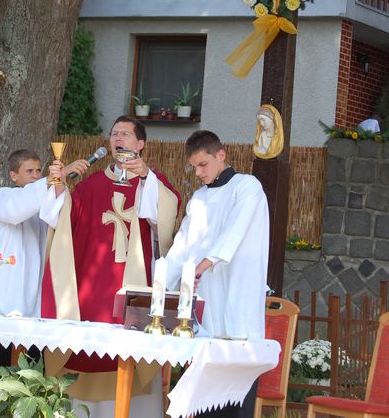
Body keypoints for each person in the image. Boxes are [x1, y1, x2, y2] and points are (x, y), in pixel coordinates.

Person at [41, 115, 180, 417]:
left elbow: (163, 220)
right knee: (86, 349)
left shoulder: (152, 183)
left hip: (135, 284)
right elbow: (61, 221)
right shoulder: (91, 185)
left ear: (140, 144)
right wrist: (59, 185)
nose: (118, 138)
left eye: (125, 134)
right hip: (93, 292)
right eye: (114, 133)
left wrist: (146, 177)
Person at [161, 130, 270, 418]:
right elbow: (183, 244)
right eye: (194, 167)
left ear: (221, 155)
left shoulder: (247, 187)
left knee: (236, 399)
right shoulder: (199, 198)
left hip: (237, 299)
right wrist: (161, 285)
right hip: (207, 303)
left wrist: (204, 264)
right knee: (202, 399)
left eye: (203, 164)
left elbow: (236, 229)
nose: (198, 173)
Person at [0, 149, 65, 374]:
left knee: (29, 356)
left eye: (38, 171)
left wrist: (58, 186)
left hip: (32, 287)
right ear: (14, 175)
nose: (35, 176)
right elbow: (16, 210)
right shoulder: (3, 196)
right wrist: (48, 181)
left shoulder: (40, 199)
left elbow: (56, 216)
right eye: (29, 171)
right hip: (3, 288)